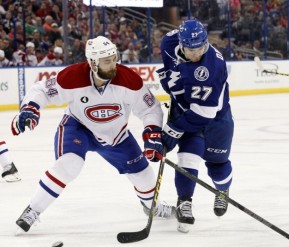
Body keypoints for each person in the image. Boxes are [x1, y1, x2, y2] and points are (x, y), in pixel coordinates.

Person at [11, 35, 175, 233]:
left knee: (144, 175)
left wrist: (153, 133)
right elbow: (42, 90)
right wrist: (30, 107)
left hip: (116, 135)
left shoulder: (128, 79)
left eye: (114, 58)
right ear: (92, 63)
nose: (113, 64)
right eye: (107, 61)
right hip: (78, 127)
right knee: (69, 164)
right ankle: (33, 210)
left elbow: (150, 109)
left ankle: (152, 206)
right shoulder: (73, 76)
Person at [158, 19, 234, 233]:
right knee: (187, 156)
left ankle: (223, 190)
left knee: (217, 165)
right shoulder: (169, 43)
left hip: (215, 118)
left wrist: (174, 128)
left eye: (201, 47)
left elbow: (204, 113)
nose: (196, 53)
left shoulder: (211, 67)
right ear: (182, 44)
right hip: (186, 110)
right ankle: (185, 202)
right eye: (191, 50)